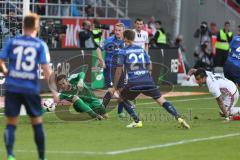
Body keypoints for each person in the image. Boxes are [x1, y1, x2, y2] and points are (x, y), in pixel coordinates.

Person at [0, 13, 57, 160]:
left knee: (11, 123)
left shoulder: (12, 42)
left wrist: (6, 72)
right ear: (36, 27)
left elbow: (0, 60)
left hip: (12, 87)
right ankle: (41, 157)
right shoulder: (40, 44)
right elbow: (46, 69)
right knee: (37, 123)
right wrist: (54, 91)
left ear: (23, 26)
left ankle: (10, 155)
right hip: (30, 89)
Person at [111, 29, 190, 129]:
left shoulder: (123, 51)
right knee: (161, 100)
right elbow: (150, 65)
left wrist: (114, 85)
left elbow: (118, 70)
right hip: (147, 80)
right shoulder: (141, 49)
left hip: (134, 81)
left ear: (125, 38)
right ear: (134, 38)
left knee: (121, 97)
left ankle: (137, 121)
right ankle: (179, 118)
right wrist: (147, 75)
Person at [96, 23, 126, 118]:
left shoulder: (125, 42)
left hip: (120, 68)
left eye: (119, 30)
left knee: (122, 91)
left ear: (123, 31)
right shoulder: (109, 40)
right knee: (111, 90)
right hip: (110, 68)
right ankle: (100, 111)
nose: (117, 32)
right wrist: (101, 61)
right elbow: (98, 49)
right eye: (116, 30)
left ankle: (120, 112)